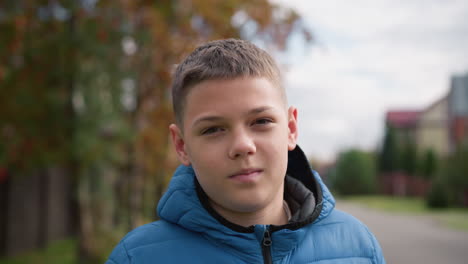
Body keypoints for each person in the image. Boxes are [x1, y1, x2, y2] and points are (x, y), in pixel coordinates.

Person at [106, 39, 386, 264]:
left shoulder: (359, 246)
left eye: (261, 121)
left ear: (290, 129)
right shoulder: (136, 257)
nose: (242, 145)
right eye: (213, 129)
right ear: (181, 146)